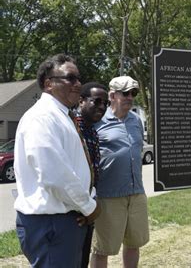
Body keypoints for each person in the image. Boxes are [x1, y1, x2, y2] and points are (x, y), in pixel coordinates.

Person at [13, 54, 100, 267]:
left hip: (66, 219)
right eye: (70, 78)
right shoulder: (42, 117)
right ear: (48, 83)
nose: (78, 84)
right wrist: (89, 207)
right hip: (52, 223)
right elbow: (54, 175)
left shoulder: (62, 116)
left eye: (78, 78)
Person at [91, 76, 149, 268]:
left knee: (134, 244)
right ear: (112, 95)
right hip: (108, 196)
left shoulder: (136, 121)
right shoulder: (98, 122)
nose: (130, 97)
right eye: (125, 93)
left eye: (133, 93)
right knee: (102, 249)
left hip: (136, 193)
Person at [74, 82, 108, 268]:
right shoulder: (72, 128)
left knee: (82, 262)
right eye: (96, 101)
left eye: (105, 103)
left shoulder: (92, 130)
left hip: (88, 209)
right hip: (73, 213)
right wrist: (84, 207)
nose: (102, 107)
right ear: (81, 101)